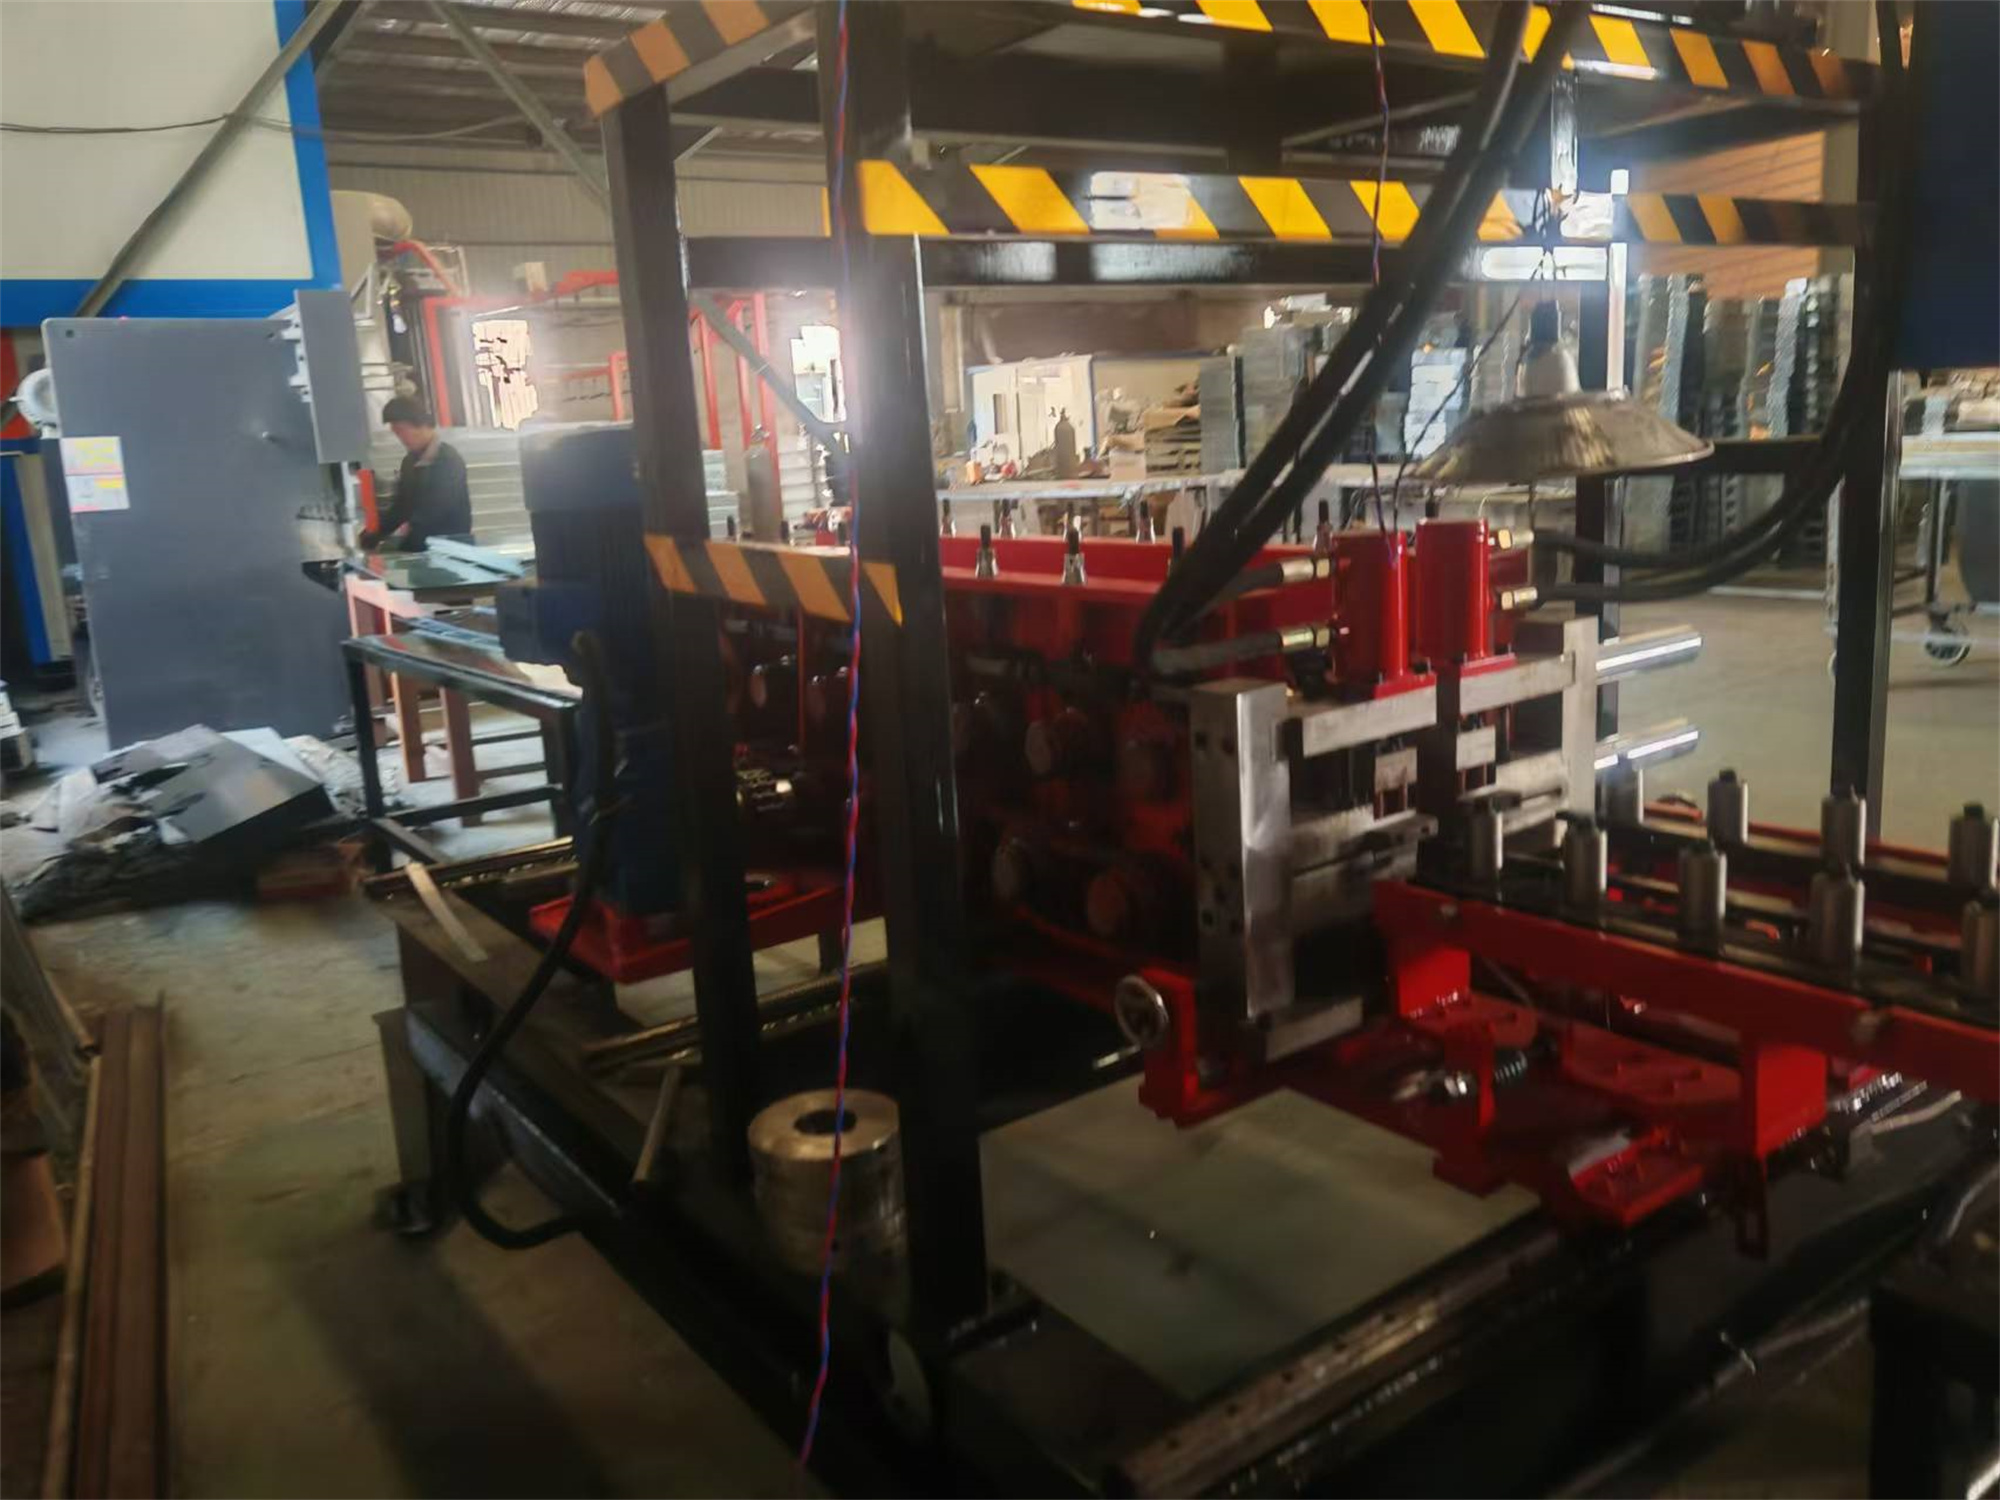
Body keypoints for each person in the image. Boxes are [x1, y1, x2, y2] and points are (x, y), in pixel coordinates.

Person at [360, 396, 472, 551]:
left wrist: (404, 546)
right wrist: (374, 535)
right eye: (396, 433)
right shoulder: (410, 462)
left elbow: (435, 511)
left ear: (420, 424)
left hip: (450, 549)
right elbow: (401, 507)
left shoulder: (447, 460)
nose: (400, 438)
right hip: (423, 548)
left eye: (401, 431)